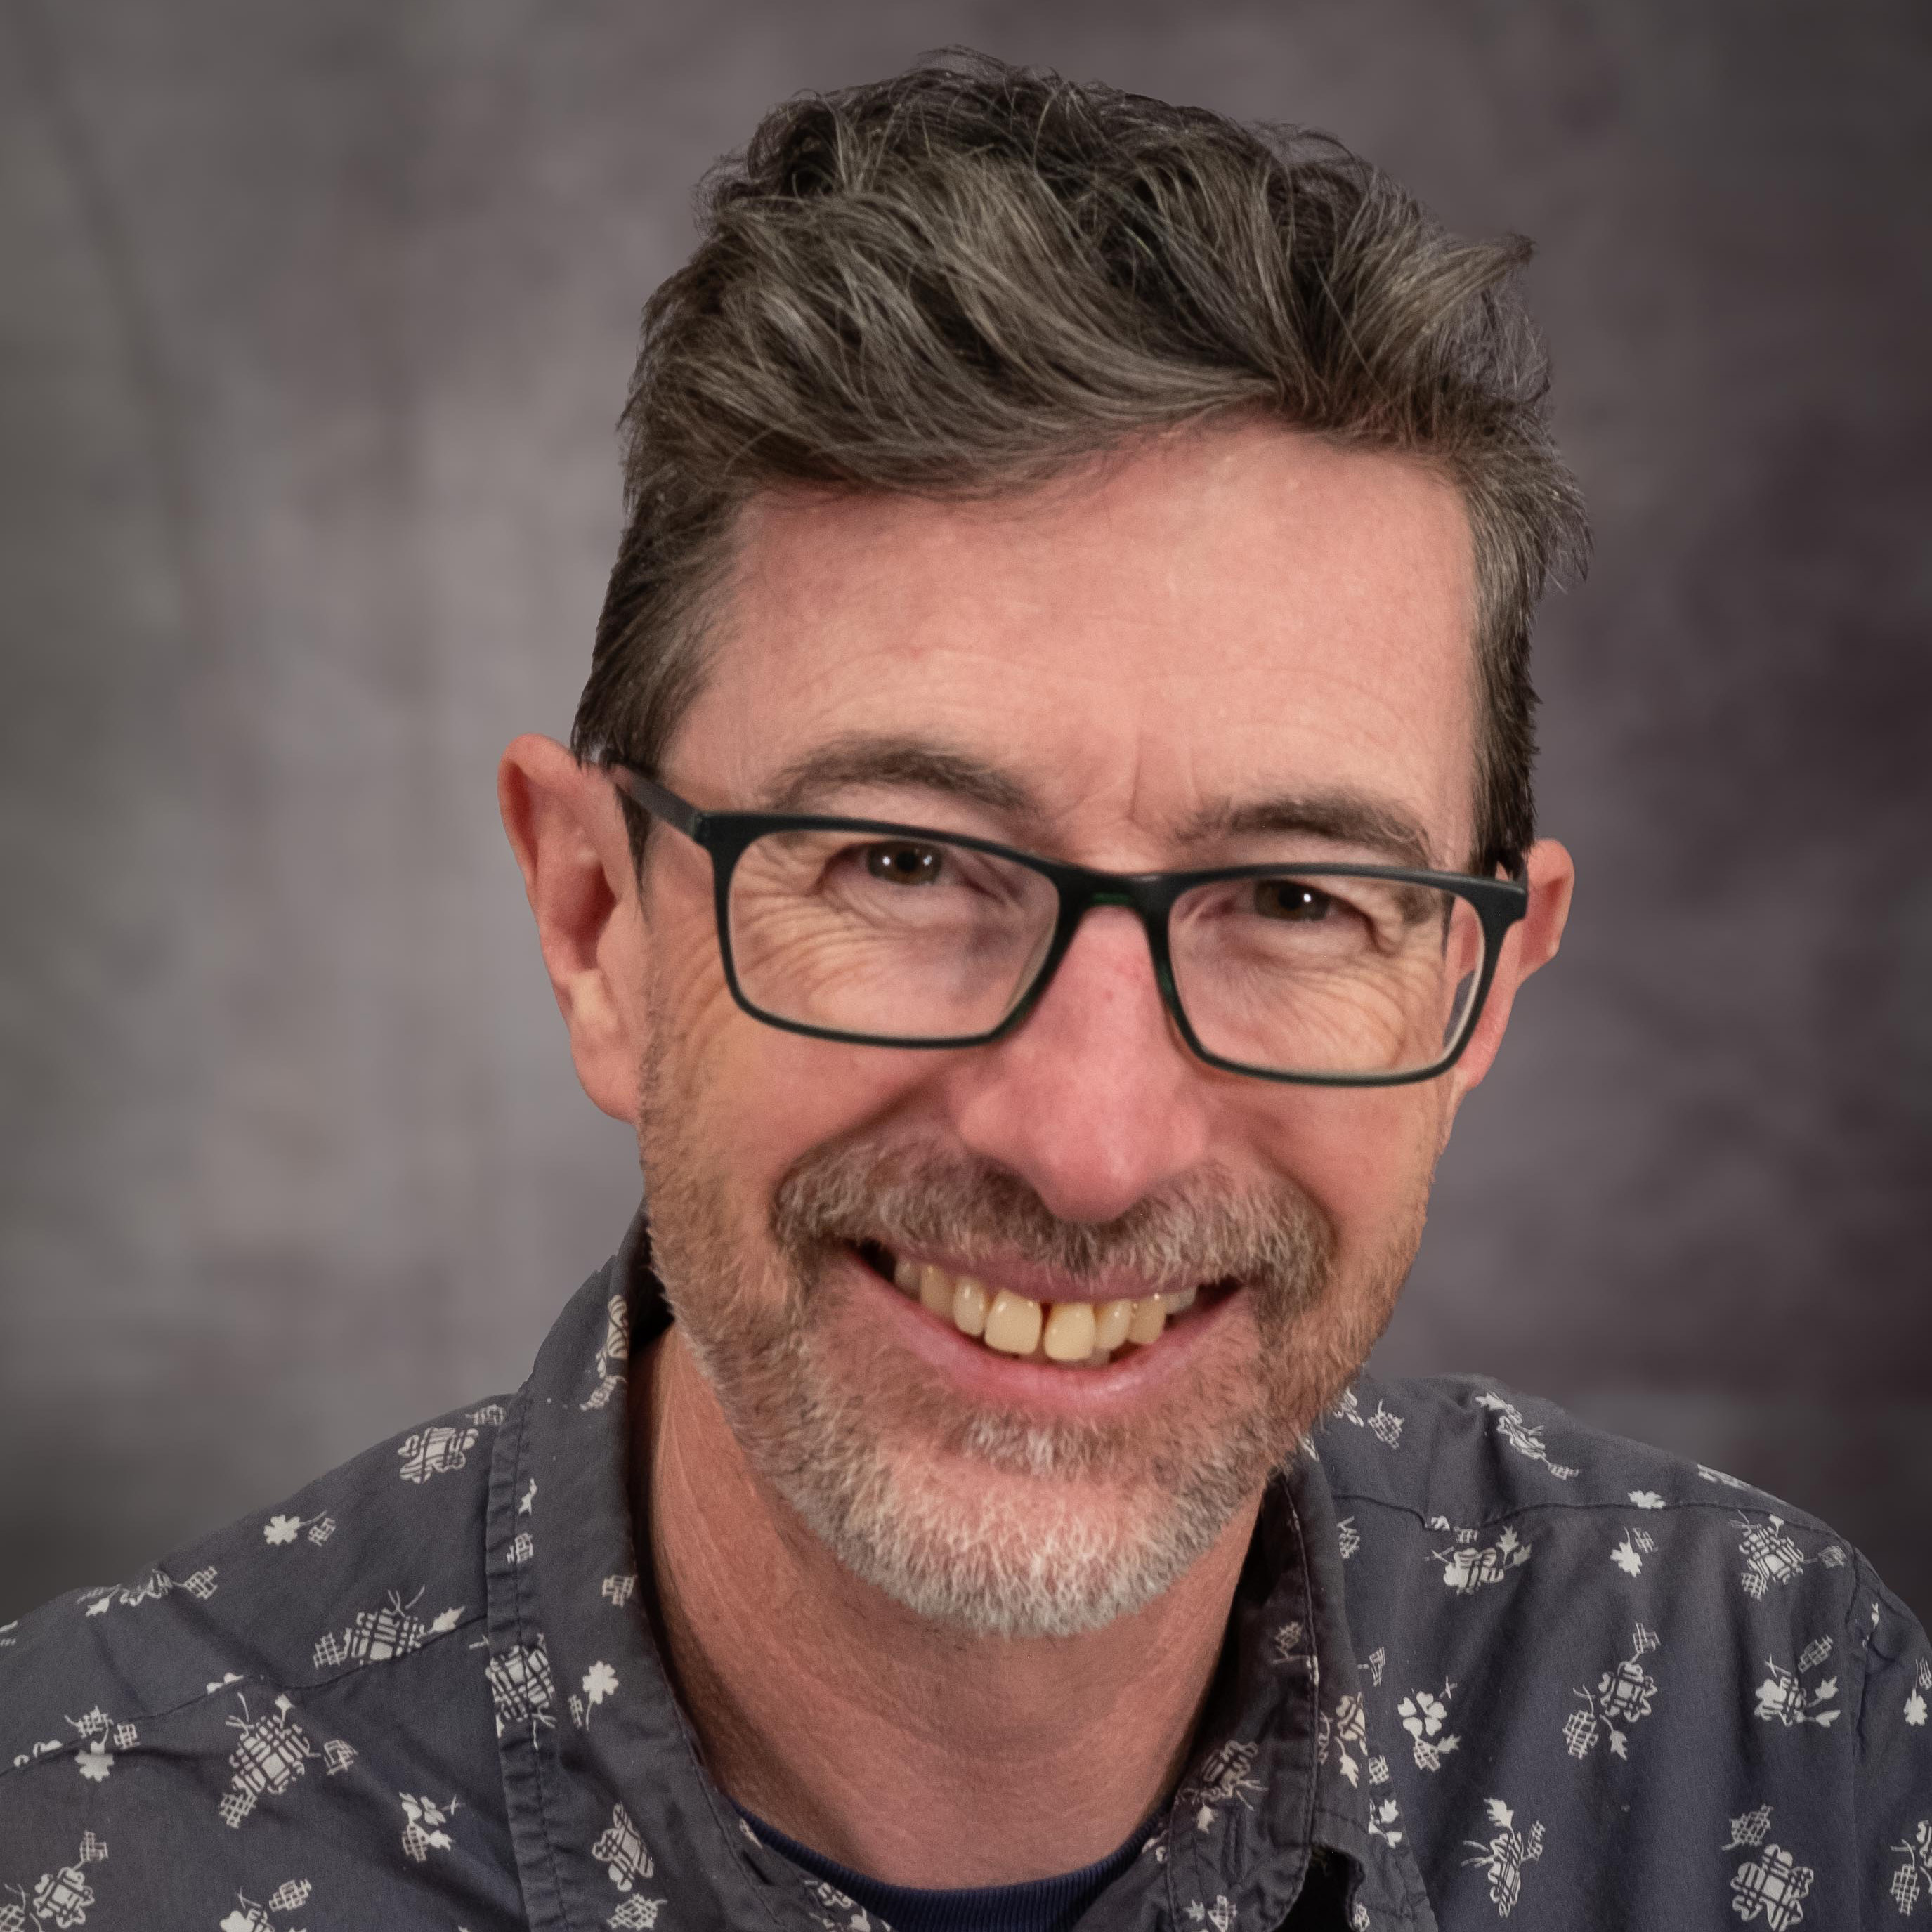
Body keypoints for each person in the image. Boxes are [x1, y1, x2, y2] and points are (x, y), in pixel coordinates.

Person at [1, 52, 1924, 1931]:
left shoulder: (1771, 1729)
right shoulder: (82, 1845)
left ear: (1475, 992)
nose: (1087, 1145)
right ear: (600, 923)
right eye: (904, 865)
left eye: (1292, 899)